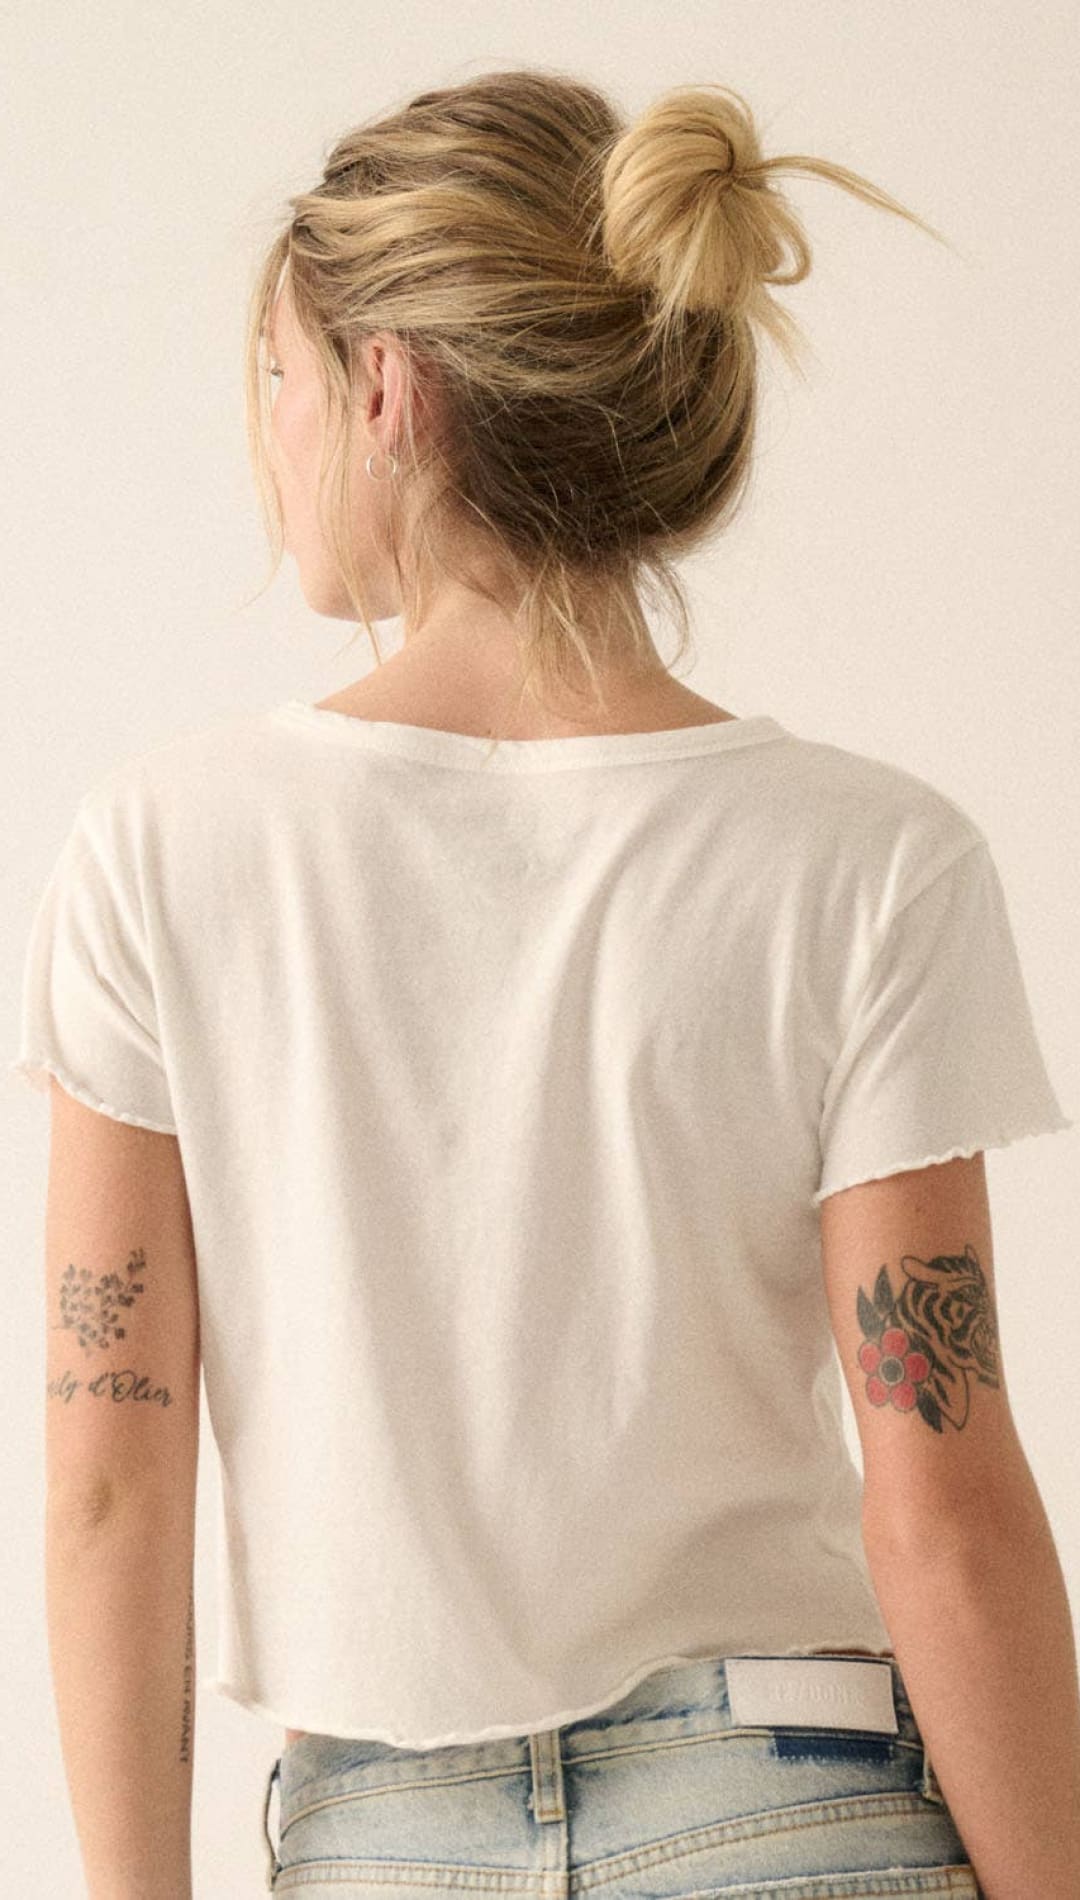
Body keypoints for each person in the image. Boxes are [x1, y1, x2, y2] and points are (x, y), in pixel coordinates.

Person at [13, 66, 1080, 1900]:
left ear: (386, 390)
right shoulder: (873, 859)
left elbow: (113, 1480)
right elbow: (945, 1502)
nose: (269, 435)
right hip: (799, 1797)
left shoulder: (160, 848)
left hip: (383, 1838)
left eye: (277, 377)